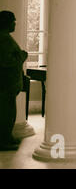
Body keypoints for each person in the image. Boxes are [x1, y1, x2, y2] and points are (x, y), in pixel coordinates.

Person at [0, 11, 27, 151]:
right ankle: (3, 141)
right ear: (6, 23)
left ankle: (7, 137)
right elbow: (6, 61)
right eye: (13, 21)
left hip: (8, 85)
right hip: (5, 85)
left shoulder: (5, 37)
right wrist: (22, 56)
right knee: (6, 114)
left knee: (8, 113)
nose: (15, 24)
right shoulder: (3, 39)